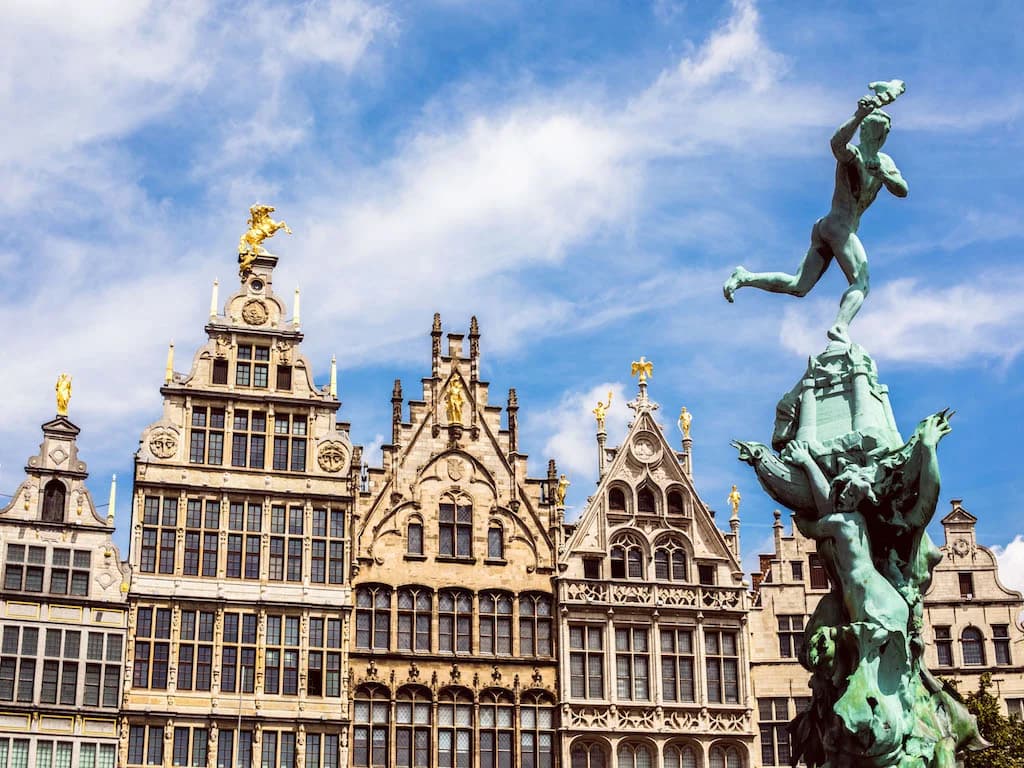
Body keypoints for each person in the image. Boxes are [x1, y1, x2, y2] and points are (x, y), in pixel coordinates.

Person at [723, 86, 908, 342]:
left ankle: (745, 277)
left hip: (829, 227)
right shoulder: (853, 155)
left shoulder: (885, 163)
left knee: (798, 285)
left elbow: (902, 190)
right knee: (861, 283)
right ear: (865, 131)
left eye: (883, 132)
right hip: (838, 226)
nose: (880, 136)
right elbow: (836, 144)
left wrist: (883, 175)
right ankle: (841, 326)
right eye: (876, 129)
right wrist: (856, 115)